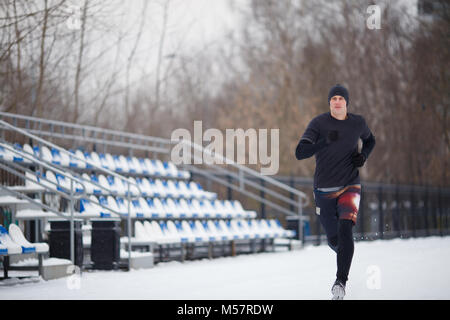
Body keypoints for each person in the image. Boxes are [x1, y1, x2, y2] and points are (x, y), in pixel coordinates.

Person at [294, 84, 376, 300]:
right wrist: (322, 142)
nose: (337, 101)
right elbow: (300, 152)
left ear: (346, 102)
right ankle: (345, 255)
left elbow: (370, 140)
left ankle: (340, 283)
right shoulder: (319, 123)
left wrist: (363, 156)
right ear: (329, 102)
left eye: (341, 98)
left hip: (350, 184)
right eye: (333, 98)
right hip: (324, 190)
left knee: (345, 228)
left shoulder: (358, 123)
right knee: (335, 240)